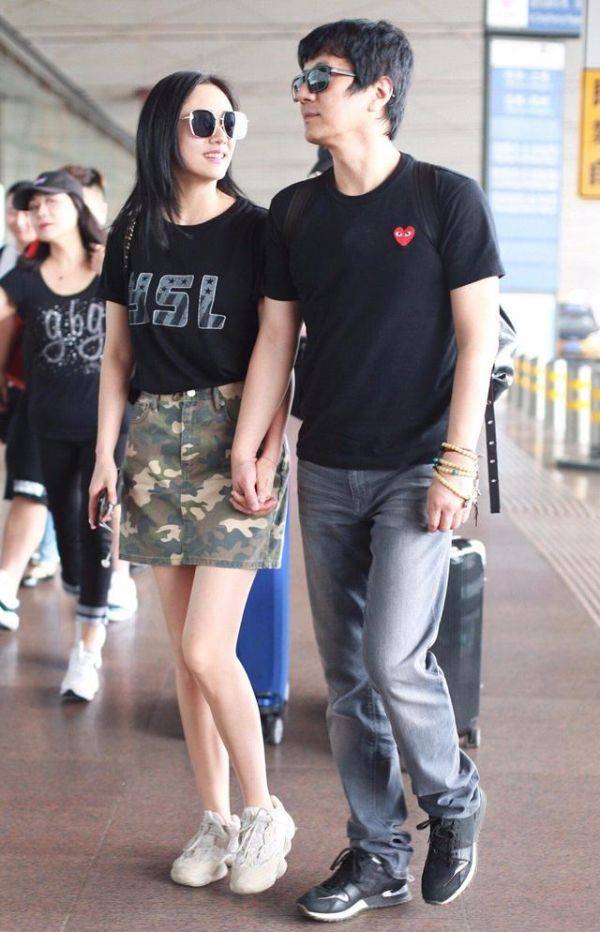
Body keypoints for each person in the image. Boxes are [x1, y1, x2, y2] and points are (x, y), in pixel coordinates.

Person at [230, 18, 504, 921]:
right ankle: (379, 852)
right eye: (300, 77)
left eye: (322, 76)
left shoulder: (445, 198)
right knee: (347, 676)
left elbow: (476, 342)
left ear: (379, 91)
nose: (302, 91)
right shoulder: (296, 212)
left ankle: (453, 799)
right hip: (327, 464)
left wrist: (457, 464)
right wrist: (254, 444)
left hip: (417, 464)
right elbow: (277, 337)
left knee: (393, 657)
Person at [92, 70, 295, 895]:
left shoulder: (258, 229)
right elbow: (117, 356)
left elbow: (280, 345)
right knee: (185, 657)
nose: (220, 135)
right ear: (162, 131)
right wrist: (104, 457)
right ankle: (215, 819)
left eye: (229, 121)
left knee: (211, 647)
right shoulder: (132, 232)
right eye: (201, 121)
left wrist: (265, 449)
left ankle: (264, 811)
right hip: (153, 443)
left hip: (231, 439)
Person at [0, 169, 129, 700]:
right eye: (35, 205)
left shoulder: (110, 269)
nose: (42, 212)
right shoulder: (24, 279)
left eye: (52, 202)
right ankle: (87, 591)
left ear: (78, 208)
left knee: (98, 525)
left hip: (107, 426)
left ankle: (87, 648)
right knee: (66, 526)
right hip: (47, 424)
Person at [62, 164, 138, 621]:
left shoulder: (116, 248)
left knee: (116, 485)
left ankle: (121, 573)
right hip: (77, 391)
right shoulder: (54, 256)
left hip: (121, 391)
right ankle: (92, 576)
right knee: (82, 493)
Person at [0, 182, 59, 628]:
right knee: (29, 485)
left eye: (38, 208)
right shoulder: (20, 263)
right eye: (21, 210)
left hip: (72, 394)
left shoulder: (89, 260)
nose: (28, 218)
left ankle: (107, 586)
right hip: (25, 388)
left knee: (41, 487)